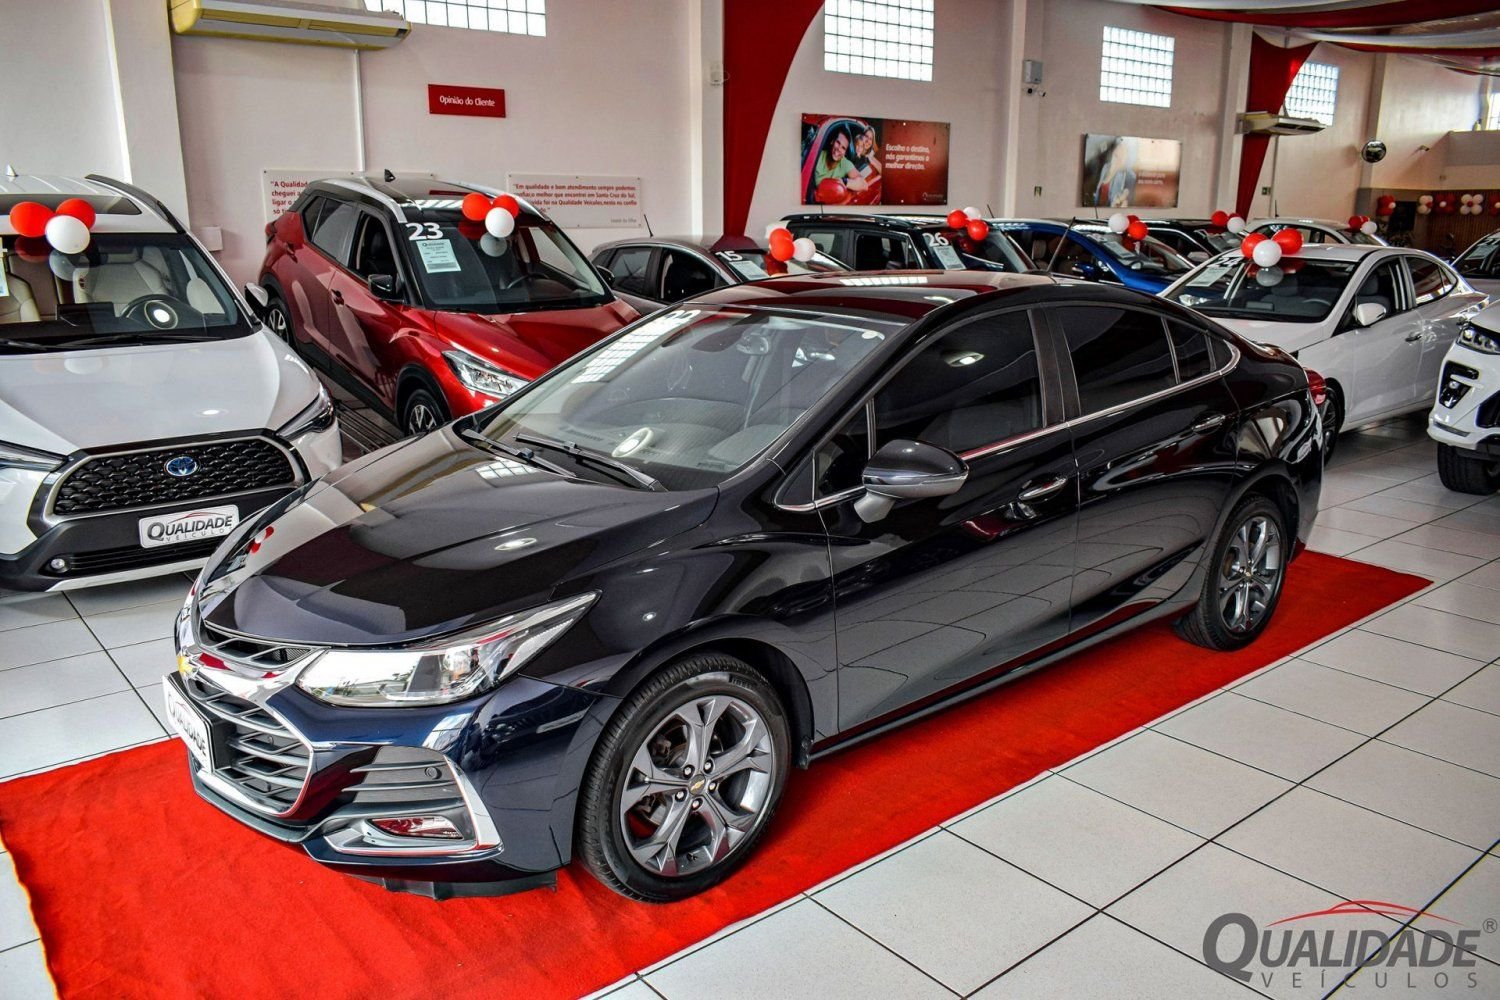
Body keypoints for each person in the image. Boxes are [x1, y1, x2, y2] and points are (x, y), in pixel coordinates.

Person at [813, 127, 868, 194]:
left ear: (845, 153)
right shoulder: (817, 156)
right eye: (838, 142)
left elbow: (864, 185)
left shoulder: (845, 164)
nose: (839, 149)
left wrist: (844, 181)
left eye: (843, 148)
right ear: (832, 141)